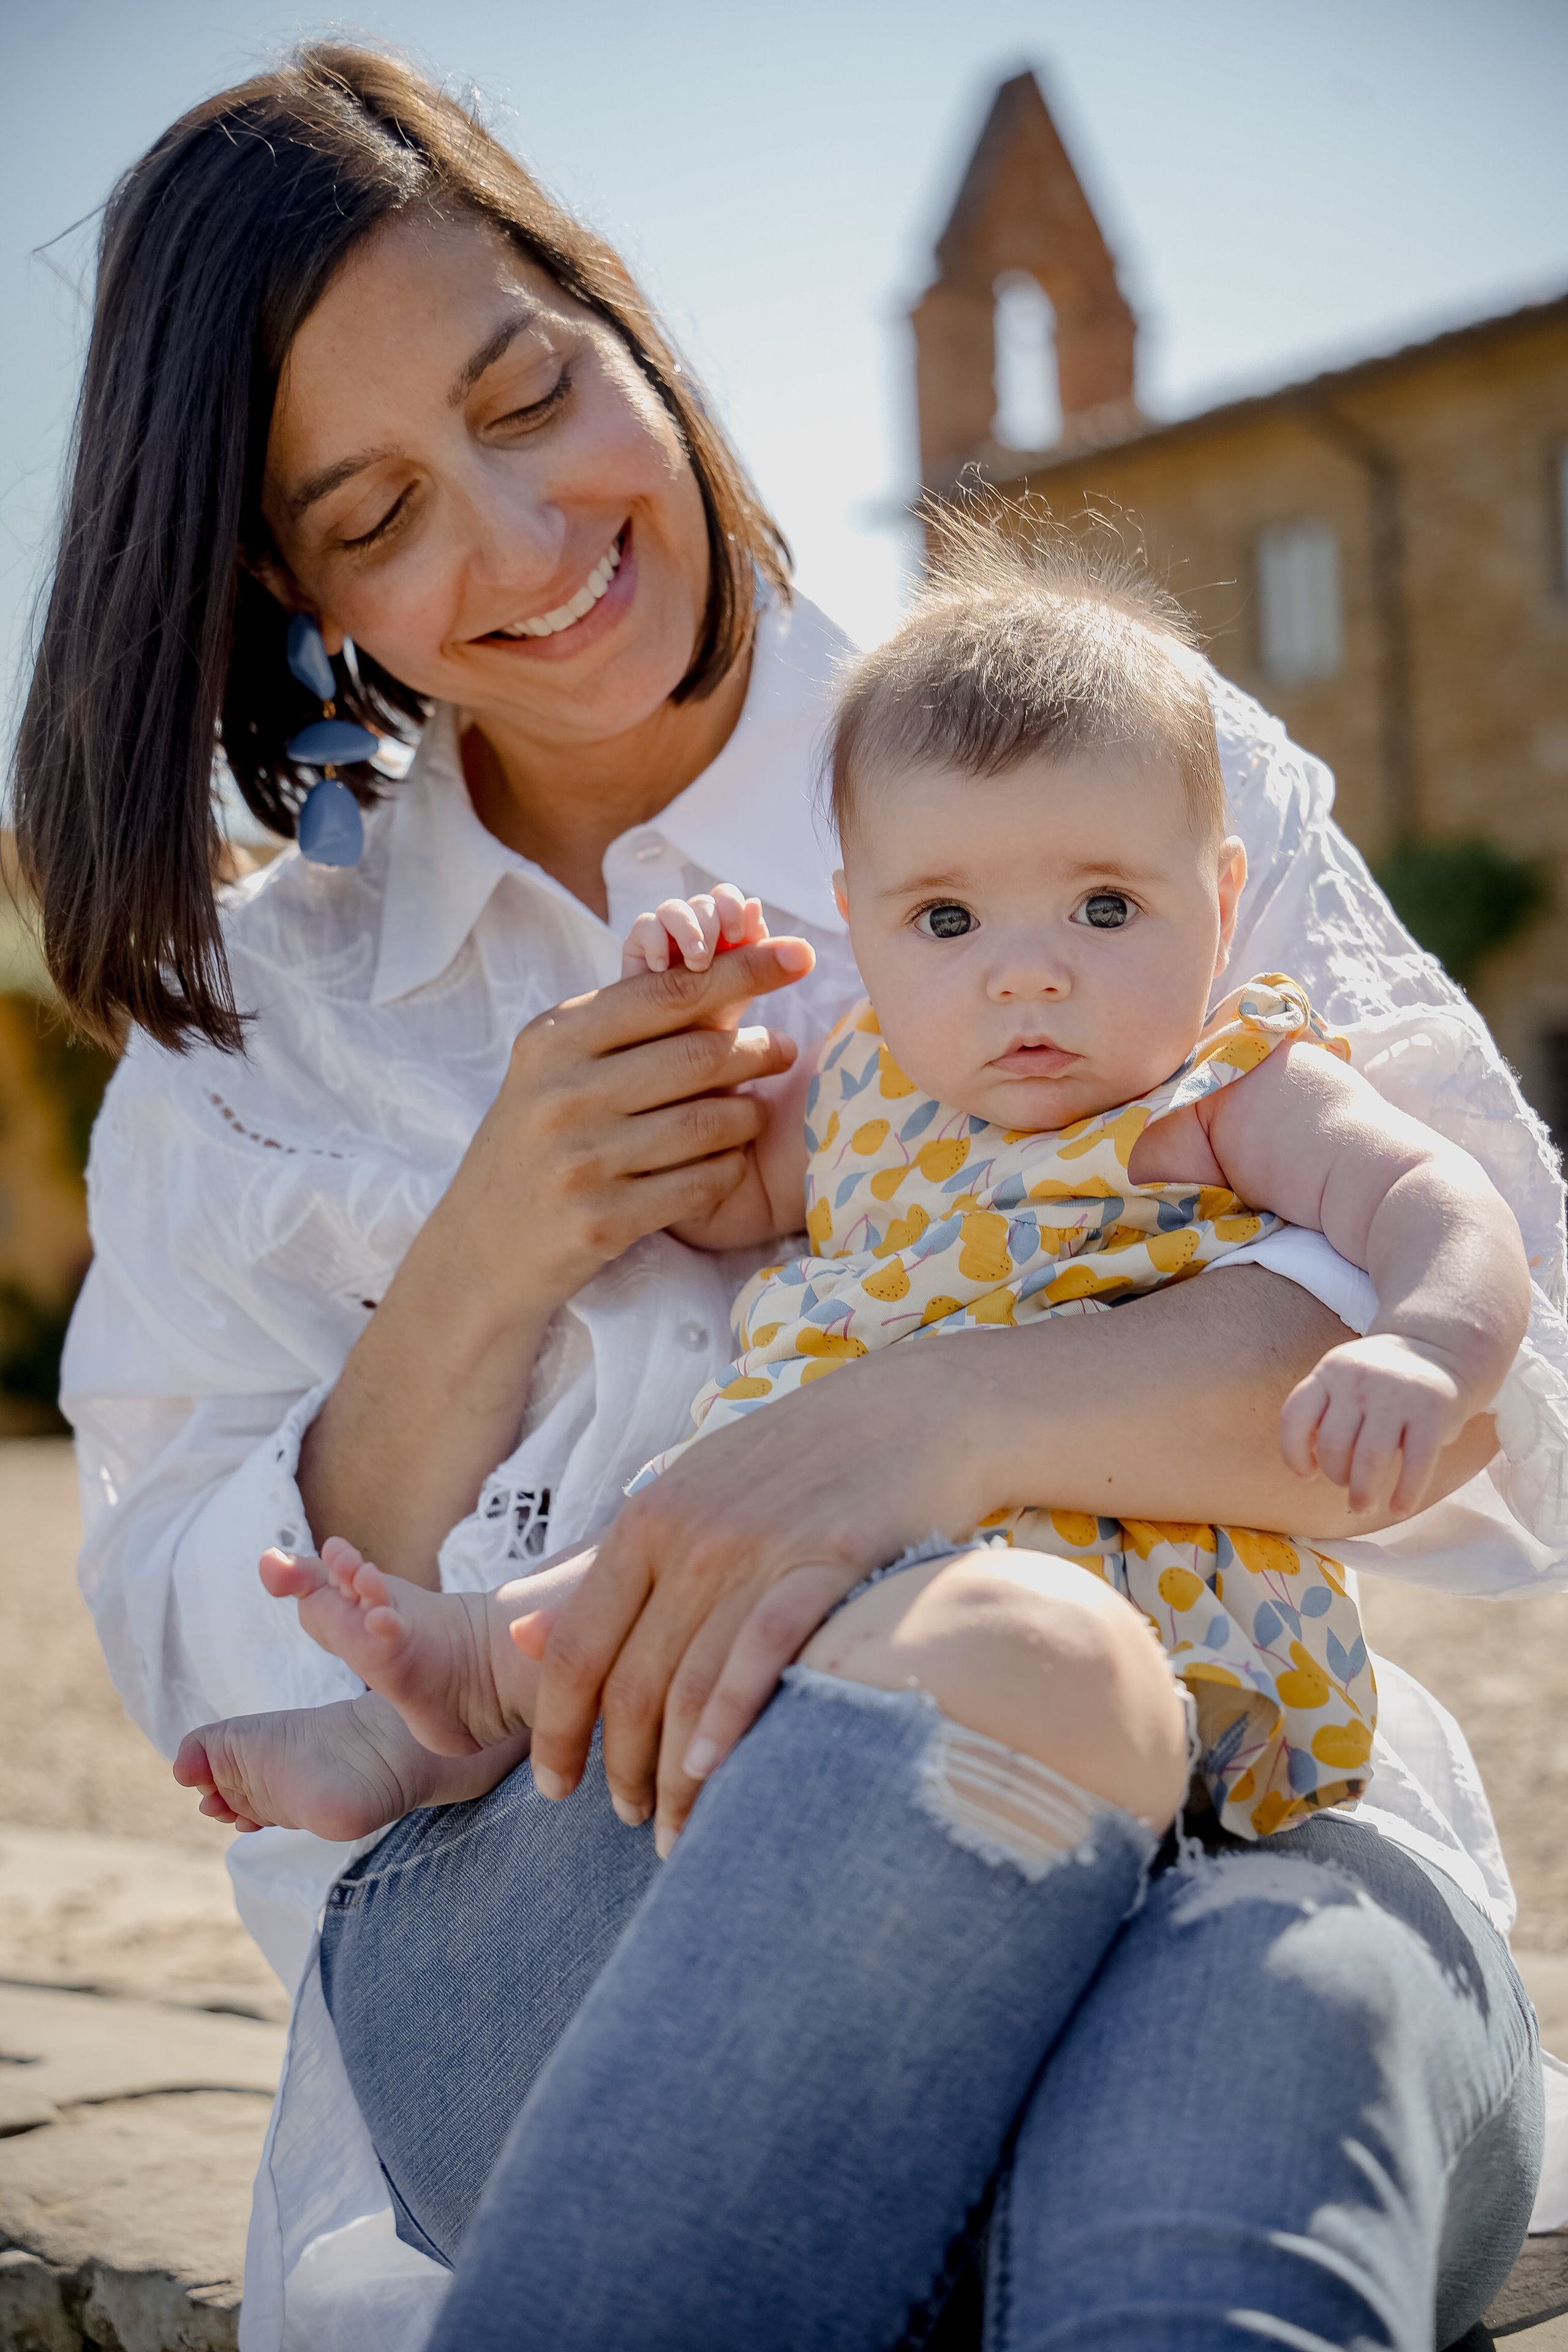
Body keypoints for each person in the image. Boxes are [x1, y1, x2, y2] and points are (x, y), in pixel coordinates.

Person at [13, 40, 1568, 2352]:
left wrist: (917, 1432)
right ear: (285, 579)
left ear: (632, 323)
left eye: (534, 397)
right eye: (377, 514)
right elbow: (201, 1666)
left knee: (1262, 1998)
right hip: (562, 1930)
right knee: (1045, 1714)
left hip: (1259, 1833)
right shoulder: (273, 1022)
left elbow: (1507, 1391)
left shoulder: (1105, 769)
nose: (522, 544)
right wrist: (477, 1278)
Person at [178, 531, 1534, 1867]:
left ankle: (478, 1686)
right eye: (946, 921)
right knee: (666, 1563)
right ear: (858, 920)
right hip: (815, 1562)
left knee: (742, 1593)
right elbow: (714, 1197)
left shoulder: (1223, 1090)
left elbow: (1438, 1202)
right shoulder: (861, 1088)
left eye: (1104, 909)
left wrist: (1424, 1345)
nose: (1026, 975)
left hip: (1120, 1600)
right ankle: (444, 1707)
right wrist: (679, 1009)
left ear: (1219, 900)